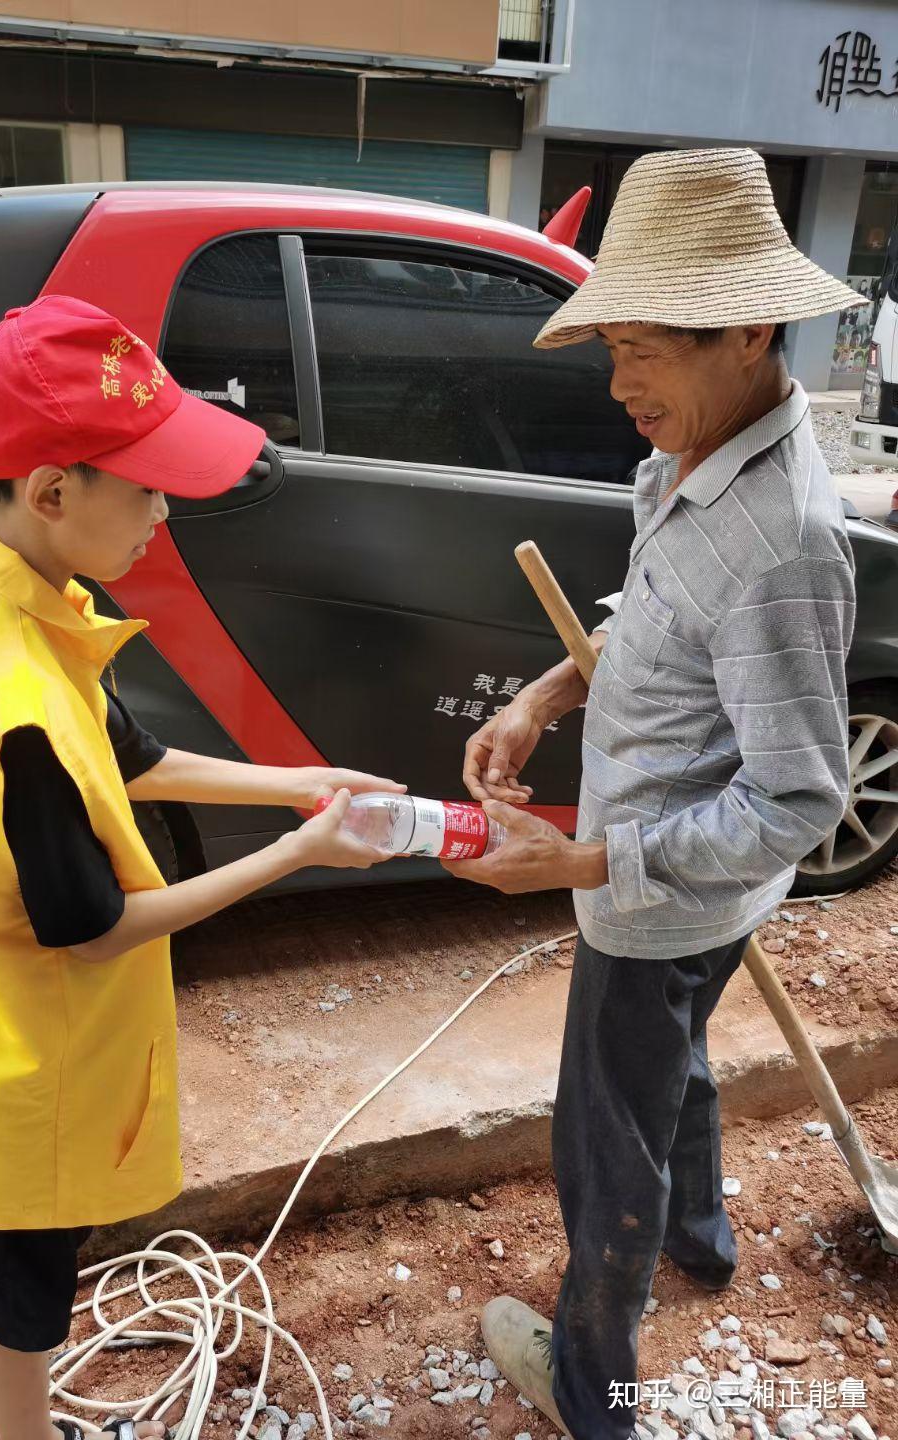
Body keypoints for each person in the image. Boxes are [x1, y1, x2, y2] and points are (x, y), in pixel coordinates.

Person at [0, 295, 399, 1440]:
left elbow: (133, 757)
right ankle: (20, 1424)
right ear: (55, 491)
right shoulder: (14, 708)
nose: (165, 510)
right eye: (146, 483)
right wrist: (298, 856)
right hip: (24, 1065)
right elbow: (98, 925)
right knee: (30, 1287)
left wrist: (301, 784)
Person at [444, 148, 865, 1440]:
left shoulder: (787, 538)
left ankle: (593, 1390)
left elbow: (800, 796)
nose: (620, 382)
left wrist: (582, 863)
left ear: (748, 327)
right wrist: (545, 698)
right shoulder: (697, 451)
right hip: (692, 901)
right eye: (610, 344)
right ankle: (704, 1233)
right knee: (671, 1066)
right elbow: (660, 612)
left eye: (646, 349)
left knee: (601, 1144)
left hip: (655, 903)